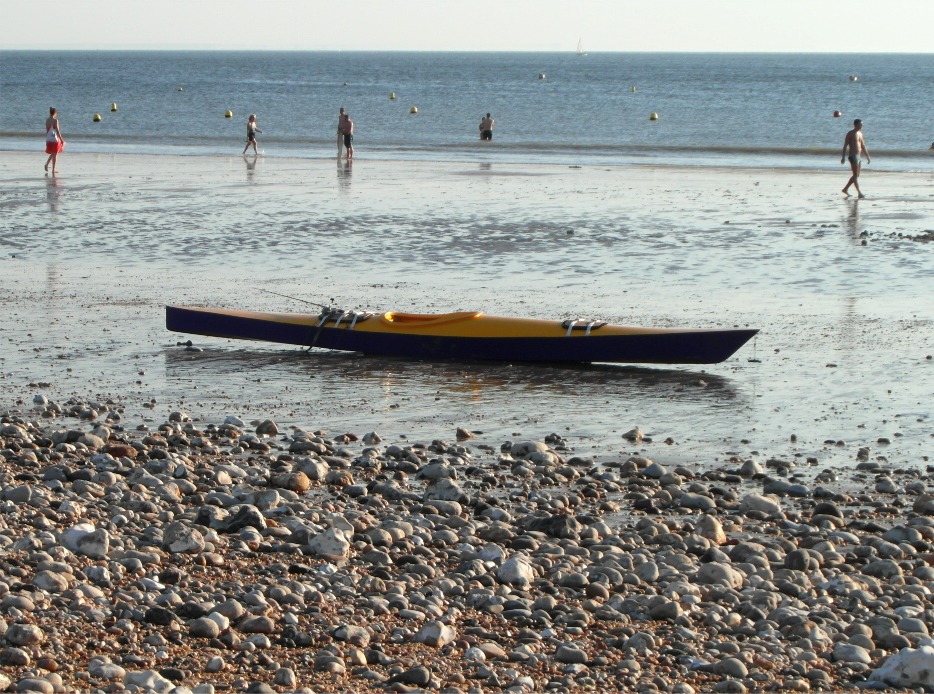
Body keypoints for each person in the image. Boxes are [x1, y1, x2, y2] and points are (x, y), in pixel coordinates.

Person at [841, 118, 870, 198]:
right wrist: (843, 157)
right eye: (860, 124)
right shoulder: (850, 133)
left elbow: (863, 145)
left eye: (862, 124)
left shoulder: (860, 133)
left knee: (856, 175)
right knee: (855, 175)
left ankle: (845, 189)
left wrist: (867, 156)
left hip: (859, 156)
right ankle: (859, 193)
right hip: (853, 155)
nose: (861, 126)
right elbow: (845, 145)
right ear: (856, 124)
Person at [44, 107, 65, 173]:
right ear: (55, 113)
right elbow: (58, 131)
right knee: (55, 153)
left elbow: (47, 130)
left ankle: (51, 168)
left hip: (48, 138)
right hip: (54, 138)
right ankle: (49, 166)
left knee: (54, 153)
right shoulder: (55, 120)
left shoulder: (47, 120)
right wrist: (61, 140)